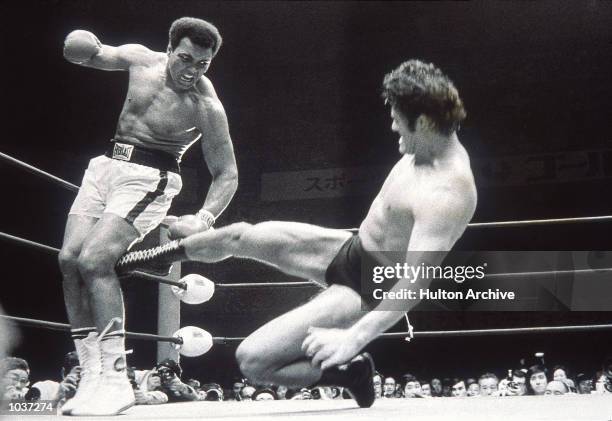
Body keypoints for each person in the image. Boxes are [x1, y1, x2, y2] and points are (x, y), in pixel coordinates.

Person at [118, 59, 475, 408]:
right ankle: (151, 260)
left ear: (425, 122)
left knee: (254, 360)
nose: (394, 128)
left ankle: (348, 374)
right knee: (240, 236)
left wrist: (355, 337)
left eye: (399, 120)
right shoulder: (422, 148)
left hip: (371, 286)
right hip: (351, 248)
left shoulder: (447, 191)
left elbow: (417, 282)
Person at [57, 16, 238, 416]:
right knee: (69, 261)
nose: (192, 71)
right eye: (186, 59)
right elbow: (96, 53)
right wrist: (83, 49)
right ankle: (91, 376)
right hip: (106, 167)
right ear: (170, 49)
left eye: (203, 64)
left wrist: (205, 218)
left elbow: (227, 173)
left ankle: (117, 380)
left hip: (150, 178)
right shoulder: (141, 59)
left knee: (96, 260)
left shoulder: (206, 104)